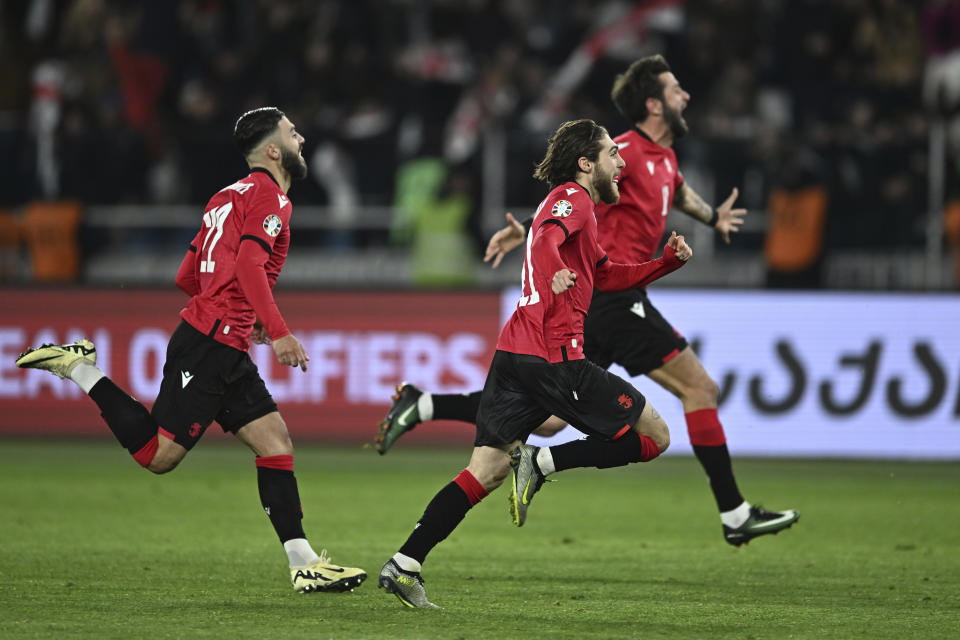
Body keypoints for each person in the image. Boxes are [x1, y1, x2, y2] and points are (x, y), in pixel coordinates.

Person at [375, 55, 799, 547]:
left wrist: (709, 222)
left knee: (549, 419)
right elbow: (568, 205)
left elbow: (676, 196)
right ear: (653, 103)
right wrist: (539, 242)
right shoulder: (621, 152)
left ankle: (424, 411)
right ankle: (733, 513)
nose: (686, 95)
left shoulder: (665, 161)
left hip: (597, 301)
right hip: (610, 302)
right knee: (695, 392)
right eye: (676, 89)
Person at [16, 107, 366, 594]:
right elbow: (247, 265)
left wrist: (243, 320)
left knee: (275, 443)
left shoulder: (224, 197)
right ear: (272, 150)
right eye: (292, 132)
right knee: (157, 456)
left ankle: (303, 563)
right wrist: (277, 329)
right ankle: (78, 367)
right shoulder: (272, 197)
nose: (301, 137)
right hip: (209, 346)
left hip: (224, 342)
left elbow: (188, 276)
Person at [378, 118, 691, 608]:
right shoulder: (576, 198)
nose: (621, 161)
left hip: (514, 355)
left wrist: (665, 264)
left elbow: (606, 274)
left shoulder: (577, 208)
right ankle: (545, 462)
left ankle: (404, 563)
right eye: (612, 154)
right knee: (655, 437)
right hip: (555, 357)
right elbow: (545, 237)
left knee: (484, 471)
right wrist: (556, 272)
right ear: (587, 164)